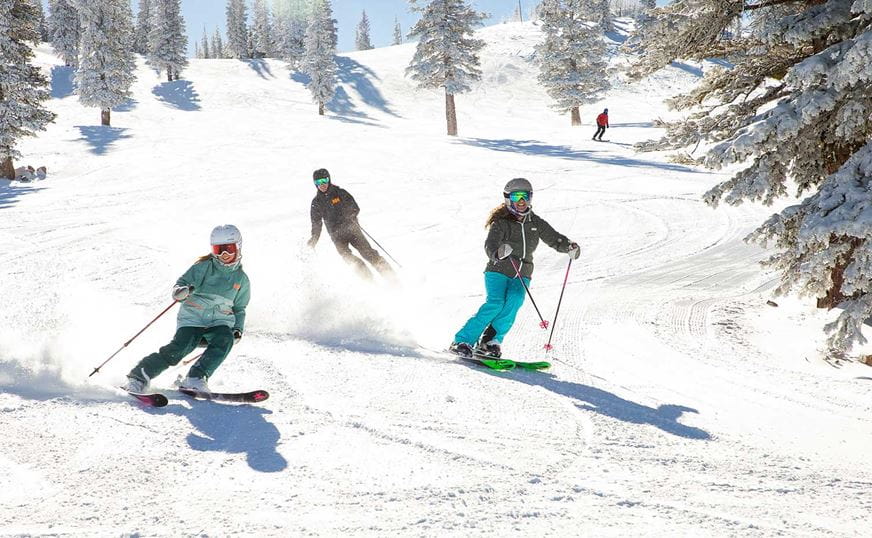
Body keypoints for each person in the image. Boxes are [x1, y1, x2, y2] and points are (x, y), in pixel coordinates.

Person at [449, 178, 580, 359]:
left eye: (525, 196)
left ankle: (490, 342)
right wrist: (498, 252)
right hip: (498, 270)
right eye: (517, 196)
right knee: (496, 303)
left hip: (522, 273)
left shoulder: (535, 222)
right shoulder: (501, 223)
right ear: (508, 199)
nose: (521, 201)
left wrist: (569, 247)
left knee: (514, 300)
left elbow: (554, 238)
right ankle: (463, 340)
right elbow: (490, 244)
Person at [123, 224, 251, 393]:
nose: (224, 254)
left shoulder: (241, 279)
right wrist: (181, 292)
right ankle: (138, 376)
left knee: (225, 339)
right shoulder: (203, 268)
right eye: (218, 249)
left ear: (238, 247)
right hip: (193, 318)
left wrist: (237, 329)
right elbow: (180, 286)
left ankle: (196, 377)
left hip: (219, 321)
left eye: (228, 248)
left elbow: (240, 308)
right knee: (178, 350)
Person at [307, 168, 395, 280]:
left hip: (352, 230)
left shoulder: (340, 193)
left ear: (329, 179)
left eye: (324, 180)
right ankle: (370, 282)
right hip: (337, 236)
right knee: (350, 260)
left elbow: (355, 207)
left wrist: (350, 214)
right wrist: (314, 238)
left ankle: (391, 277)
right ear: (315, 184)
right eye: (318, 182)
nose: (322, 184)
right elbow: (316, 222)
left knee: (369, 254)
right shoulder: (317, 203)